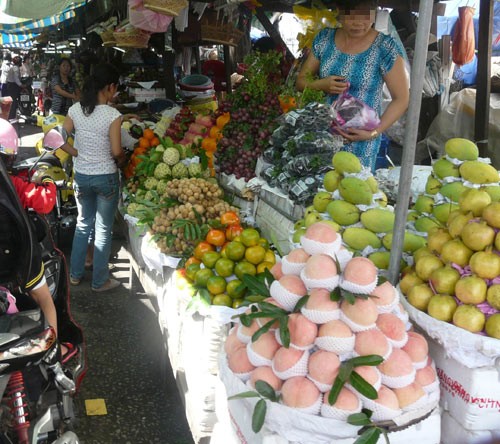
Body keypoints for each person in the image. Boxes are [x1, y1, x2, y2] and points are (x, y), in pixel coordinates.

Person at [296, 0, 409, 171]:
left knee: (351, 191)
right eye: (351, 14)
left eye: (365, 14)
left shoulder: (385, 48)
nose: (358, 22)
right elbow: (301, 81)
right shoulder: (324, 39)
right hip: (321, 137)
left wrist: (374, 132)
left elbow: (401, 99)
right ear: (339, 10)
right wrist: (321, 85)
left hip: (359, 143)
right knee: (317, 193)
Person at [60, 63, 126, 292]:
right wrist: (123, 160)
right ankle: (100, 281)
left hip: (82, 177)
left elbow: (57, 137)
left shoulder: (76, 110)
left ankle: (75, 275)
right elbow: (117, 151)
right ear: (109, 87)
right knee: (103, 230)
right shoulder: (113, 115)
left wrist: (75, 152)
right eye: (115, 89)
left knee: (83, 224)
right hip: (105, 178)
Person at [5, 55, 22, 119]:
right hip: (13, 86)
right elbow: (16, 79)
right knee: (13, 100)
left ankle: (11, 114)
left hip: (10, 85)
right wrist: (21, 85)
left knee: (12, 100)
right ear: (19, 62)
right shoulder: (16, 68)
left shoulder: (13, 67)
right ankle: (11, 115)